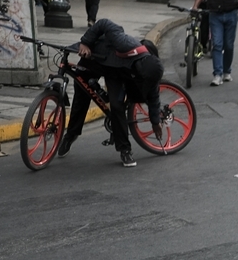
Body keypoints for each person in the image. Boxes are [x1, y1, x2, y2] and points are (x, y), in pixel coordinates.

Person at [57, 20, 163, 168]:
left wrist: (155, 121)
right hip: (97, 57)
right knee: (81, 91)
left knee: (117, 106)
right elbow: (103, 23)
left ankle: (125, 149)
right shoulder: (125, 43)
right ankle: (71, 135)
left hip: (116, 75)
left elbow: (154, 97)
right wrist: (85, 42)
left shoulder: (149, 73)